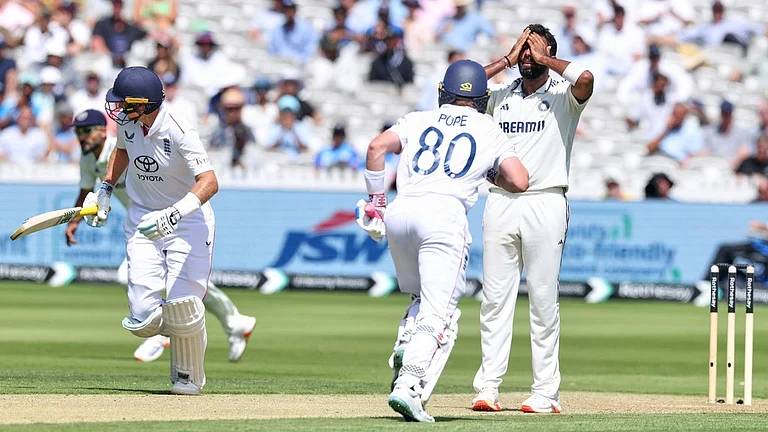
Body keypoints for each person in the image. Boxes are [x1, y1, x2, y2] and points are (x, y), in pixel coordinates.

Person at [356, 59, 529, 422]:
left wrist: (376, 203)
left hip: (400, 212)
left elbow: (375, 148)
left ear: (443, 92)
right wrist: (490, 175)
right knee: (441, 313)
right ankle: (410, 383)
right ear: (481, 98)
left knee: (421, 298)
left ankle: (407, 341)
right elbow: (520, 180)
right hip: (444, 217)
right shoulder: (489, 127)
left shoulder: (418, 118)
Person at [65, 108, 257, 363]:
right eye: (78, 132)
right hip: (145, 222)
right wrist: (76, 219)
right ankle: (233, 321)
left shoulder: (127, 141)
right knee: (182, 283)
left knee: (168, 280)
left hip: (173, 214)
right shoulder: (88, 159)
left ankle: (161, 333)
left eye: (87, 131)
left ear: (103, 130)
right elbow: (86, 190)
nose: (82, 137)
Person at [471, 24, 594, 414]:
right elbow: (457, 87)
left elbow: (586, 79)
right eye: (523, 51)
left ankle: (545, 393)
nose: (527, 57)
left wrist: (545, 59)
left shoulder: (563, 95)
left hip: (546, 201)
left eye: (533, 51)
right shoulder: (502, 95)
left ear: (548, 53)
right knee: (494, 299)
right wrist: (507, 60)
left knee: (543, 300)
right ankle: (488, 388)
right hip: (501, 202)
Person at [84, 66, 220, 395]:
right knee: (143, 318)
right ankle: (177, 324)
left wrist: (175, 213)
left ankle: (187, 378)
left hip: (187, 220)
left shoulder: (178, 128)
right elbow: (121, 152)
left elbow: (210, 182)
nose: (117, 109)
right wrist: (104, 189)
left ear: (142, 104)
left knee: (183, 304)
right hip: (142, 219)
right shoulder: (128, 123)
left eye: (123, 103)